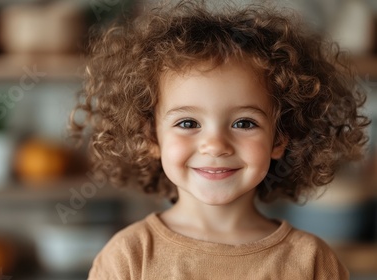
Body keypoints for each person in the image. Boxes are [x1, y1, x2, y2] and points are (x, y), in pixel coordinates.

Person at [68, 0, 370, 279]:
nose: (215, 145)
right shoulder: (128, 257)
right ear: (150, 136)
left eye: (244, 123)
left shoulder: (312, 261)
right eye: (188, 123)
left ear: (279, 138)